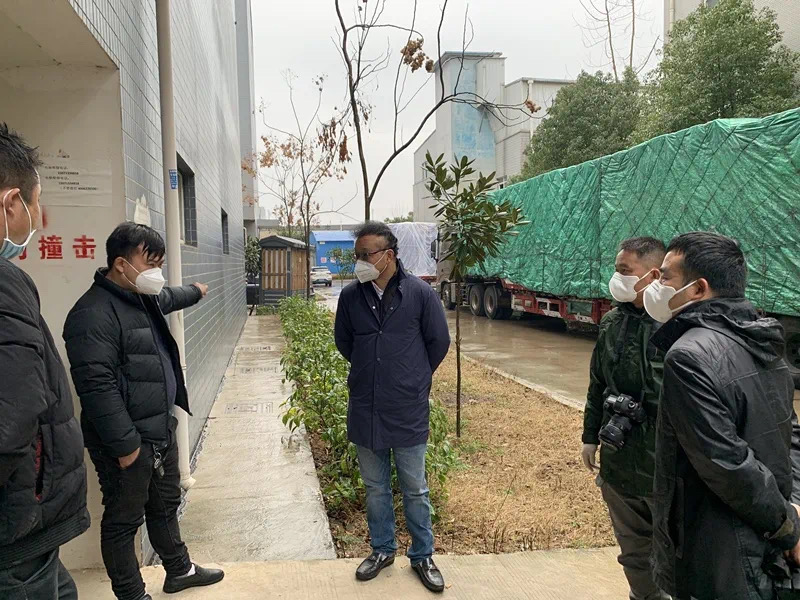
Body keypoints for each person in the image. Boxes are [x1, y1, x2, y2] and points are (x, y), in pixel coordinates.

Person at [63, 223, 222, 600]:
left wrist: (196, 291)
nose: (157, 273)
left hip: (159, 431)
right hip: (126, 443)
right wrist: (127, 448)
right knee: (124, 522)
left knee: (165, 505)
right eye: (150, 264)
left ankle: (179, 570)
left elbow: (170, 296)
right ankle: (132, 594)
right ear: (121, 264)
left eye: (160, 264)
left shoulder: (142, 297)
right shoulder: (91, 315)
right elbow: (96, 388)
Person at [647, 231, 800, 600]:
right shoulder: (763, 339)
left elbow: (726, 462)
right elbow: (791, 434)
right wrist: (792, 507)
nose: (656, 286)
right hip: (766, 531)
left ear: (699, 289)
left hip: (720, 545)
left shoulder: (687, 357)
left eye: (665, 277)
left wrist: (789, 527)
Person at [334, 221, 450, 593]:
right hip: (366, 406)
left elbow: (438, 342)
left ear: (388, 255)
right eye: (357, 254)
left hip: (407, 408)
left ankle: (422, 555)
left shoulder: (420, 294)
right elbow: (345, 342)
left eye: (365, 254)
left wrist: (411, 376)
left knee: (415, 488)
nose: (359, 261)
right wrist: (372, 370)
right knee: (375, 488)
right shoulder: (351, 297)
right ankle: (382, 550)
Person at [0, 123, 90, 599]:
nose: (41, 217)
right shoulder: (5, 282)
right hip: (15, 530)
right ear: (12, 203)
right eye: (37, 204)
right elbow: (12, 416)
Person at [582, 237, 669, 600]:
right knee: (634, 551)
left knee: (675, 553)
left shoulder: (676, 324)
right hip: (619, 462)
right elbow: (597, 383)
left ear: (653, 275)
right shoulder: (612, 322)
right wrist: (590, 436)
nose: (617, 279)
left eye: (624, 271)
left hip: (663, 468)